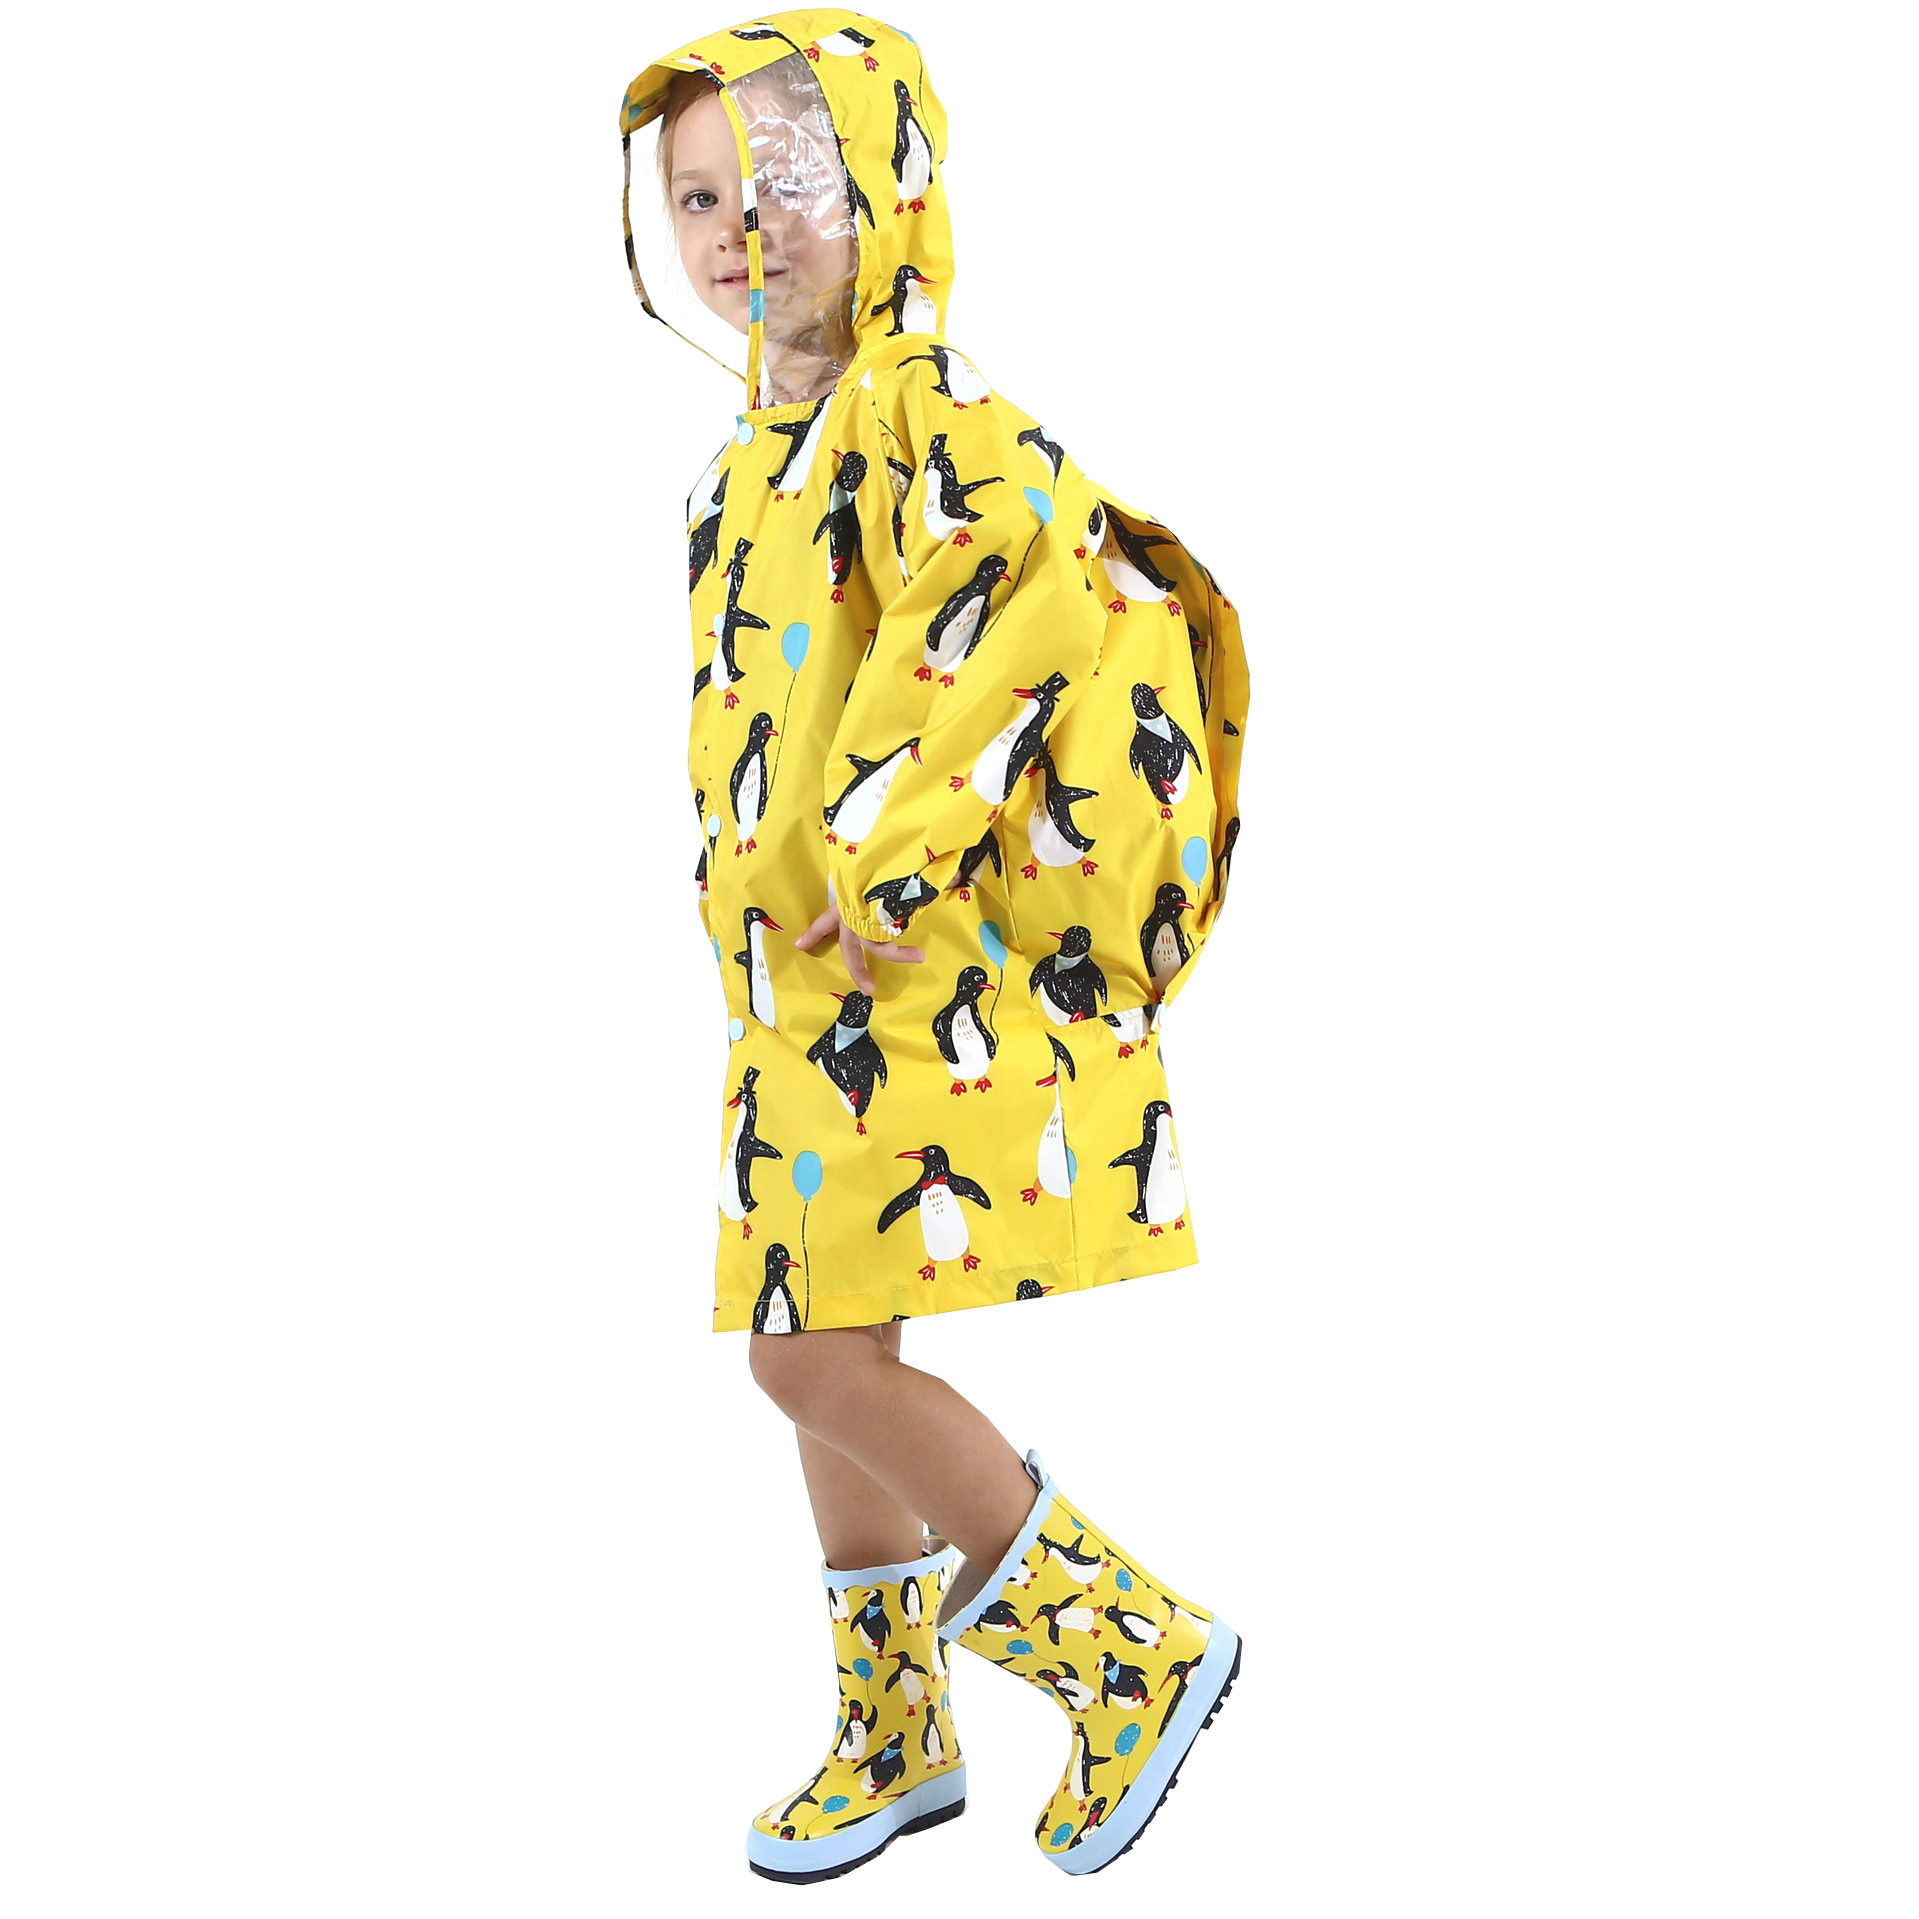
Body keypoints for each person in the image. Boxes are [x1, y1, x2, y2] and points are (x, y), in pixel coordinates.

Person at [619, 11, 1252, 1882]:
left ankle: (1131, 1650)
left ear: (884, 187)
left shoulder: (930, 411)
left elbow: (1008, 613)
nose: (740, 231)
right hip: (792, 988)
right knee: (811, 1333)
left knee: (809, 1360)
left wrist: (882, 864)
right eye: (698, 198)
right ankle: (892, 1732)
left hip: (908, 970)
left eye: (784, 182)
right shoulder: (742, 468)